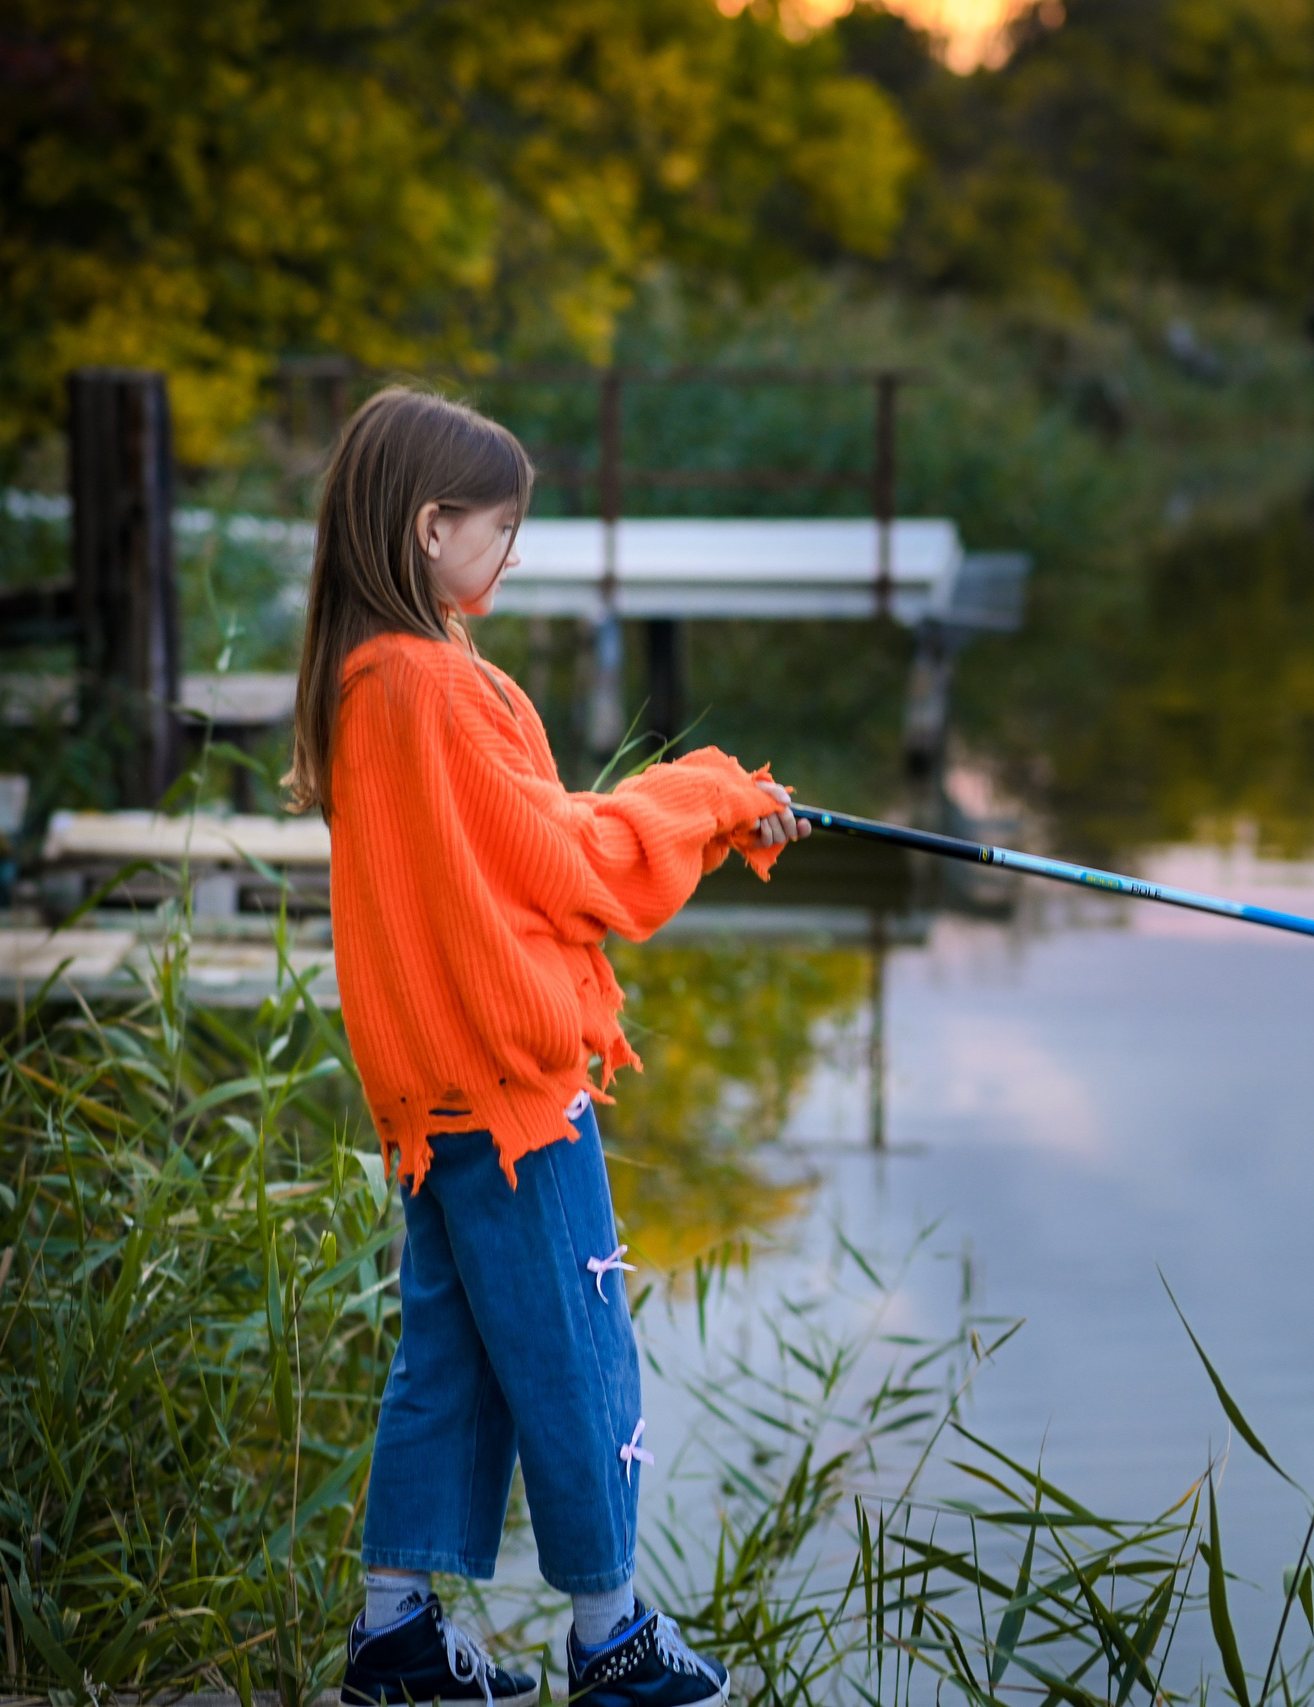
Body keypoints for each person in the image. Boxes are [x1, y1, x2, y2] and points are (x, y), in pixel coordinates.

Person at [283, 386, 810, 1707]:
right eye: (500, 527)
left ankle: (395, 1638)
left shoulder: (365, 678)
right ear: (428, 527)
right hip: (513, 1098)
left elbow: (514, 840)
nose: (513, 551)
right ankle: (613, 1639)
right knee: (578, 1358)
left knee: (450, 1365)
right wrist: (715, 793)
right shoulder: (431, 681)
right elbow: (574, 865)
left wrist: (716, 808)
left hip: (437, 1102)